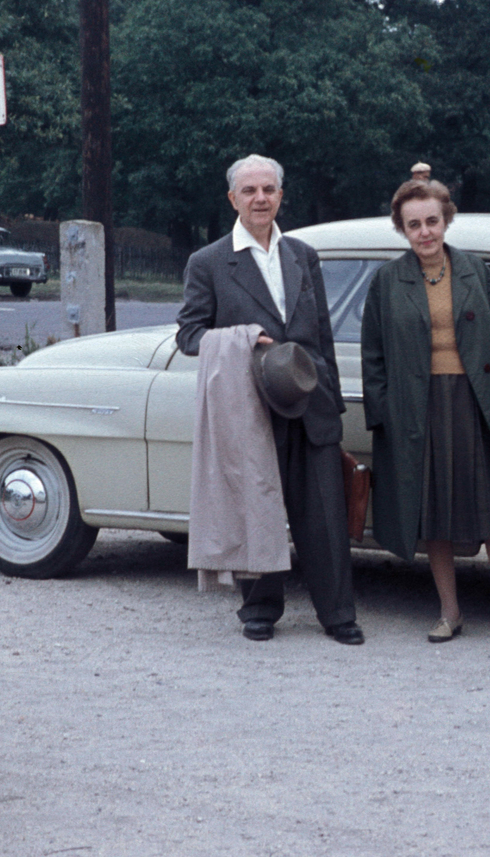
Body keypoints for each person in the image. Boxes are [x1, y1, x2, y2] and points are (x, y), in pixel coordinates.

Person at [359, 171, 490, 648]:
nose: (424, 232)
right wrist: (385, 415)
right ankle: (449, 613)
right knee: (435, 515)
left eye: (432, 221)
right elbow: (373, 356)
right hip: (417, 411)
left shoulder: (475, 270)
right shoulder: (387, 281)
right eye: (413, 225)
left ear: (446, 220)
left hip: (477, 405)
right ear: (402, 230)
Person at [175, 154, 363, 645]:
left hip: (311, 402)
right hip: (252, 407)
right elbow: (190, 335)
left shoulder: (303, 255)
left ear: (281, 195)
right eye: (250, 190)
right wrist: (246, 336)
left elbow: (321, 334)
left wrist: (334, 404)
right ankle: (259, 609)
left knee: (324, 514)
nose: (260, 198)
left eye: (269, 190)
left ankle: (339, 614)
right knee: (257, 509)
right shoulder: (210, 262)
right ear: (233, 198)